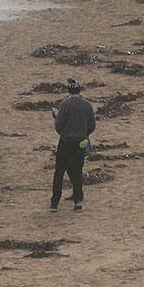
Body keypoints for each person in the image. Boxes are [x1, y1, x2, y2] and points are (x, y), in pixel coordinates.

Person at [50, 78, 95, 210]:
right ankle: (78, 202)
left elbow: (58, 125)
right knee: (77, 171)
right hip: (80, 142)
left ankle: (54, 203)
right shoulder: (87, 105)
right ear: (79, 90)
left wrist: (58, 120)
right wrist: (83, 133)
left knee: (59, 172)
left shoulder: (65, 105)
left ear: (69, 91)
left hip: (66, 141)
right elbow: (92, 125)